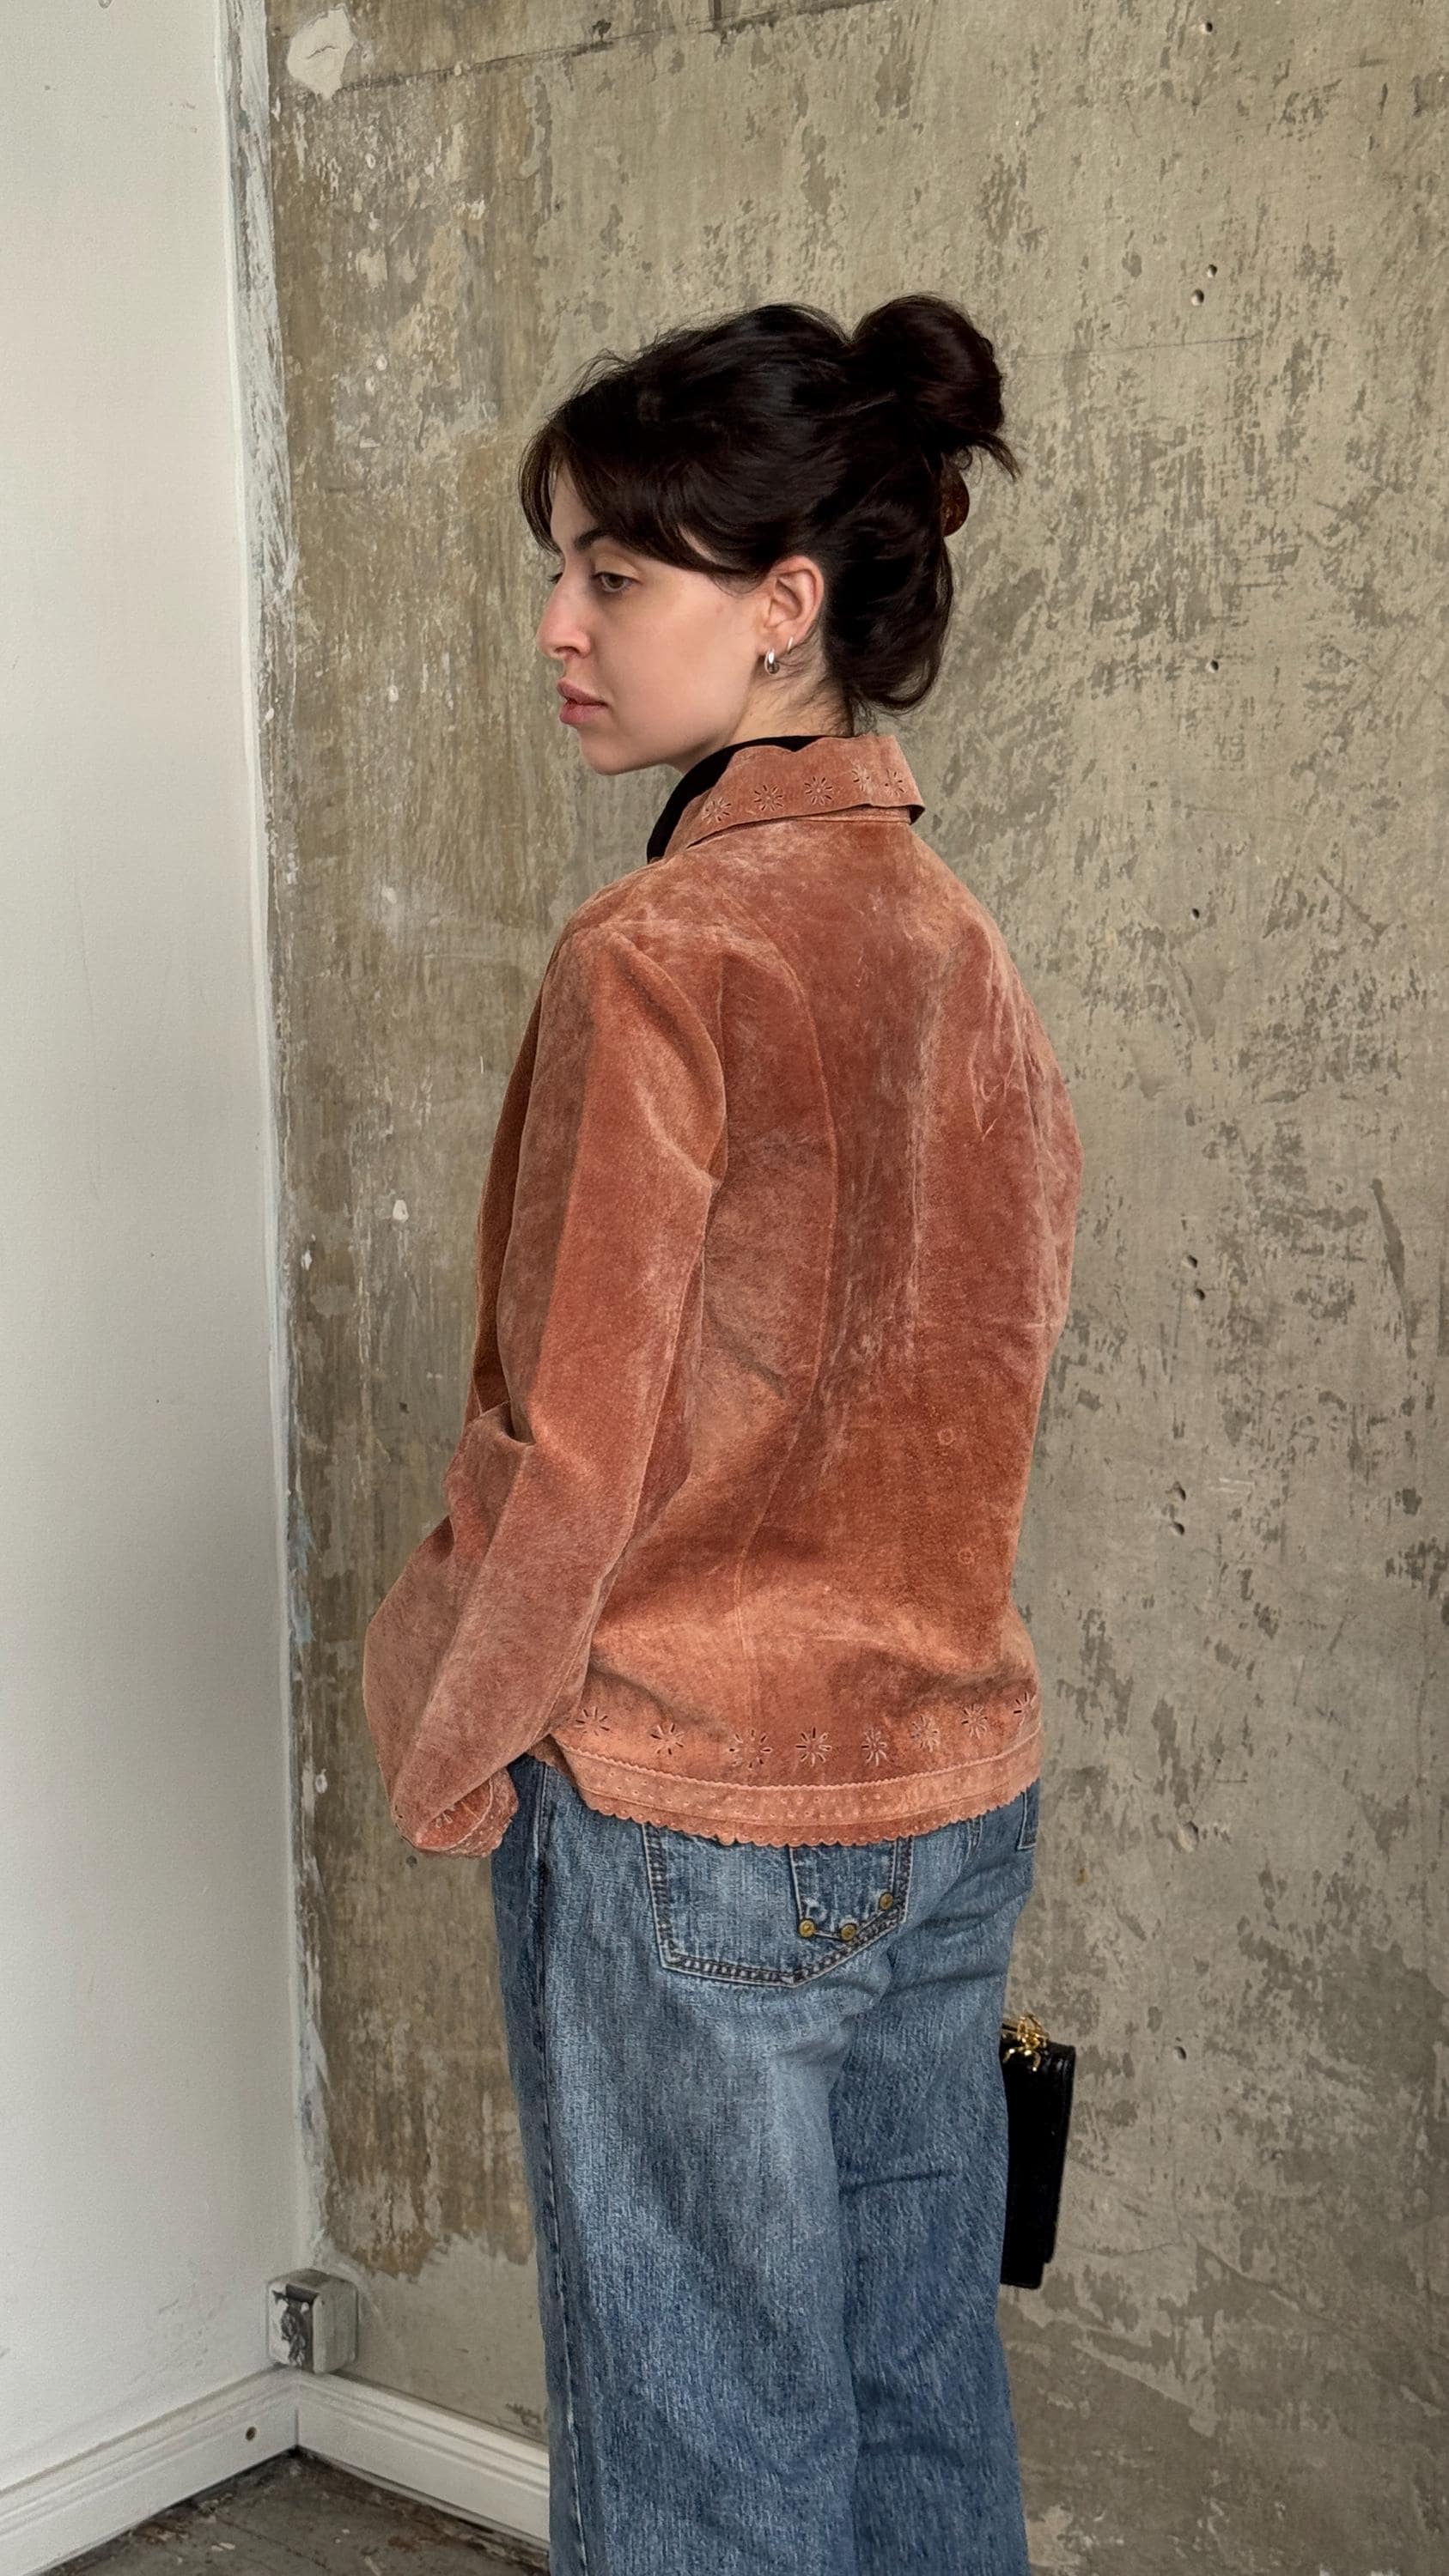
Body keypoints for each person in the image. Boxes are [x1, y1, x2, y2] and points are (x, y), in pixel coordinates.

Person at [362, 294, 1084, 2576]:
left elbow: (563, 1455)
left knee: (702, 2469)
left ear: (786, 606)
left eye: (614, 574)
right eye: (557, 571)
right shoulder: (958, 948)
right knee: (913, 2396)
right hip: (949, 1788)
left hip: (693, 1816)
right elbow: (987, 1372)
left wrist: (444, 1732)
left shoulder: (658, 957)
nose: (558, 629)